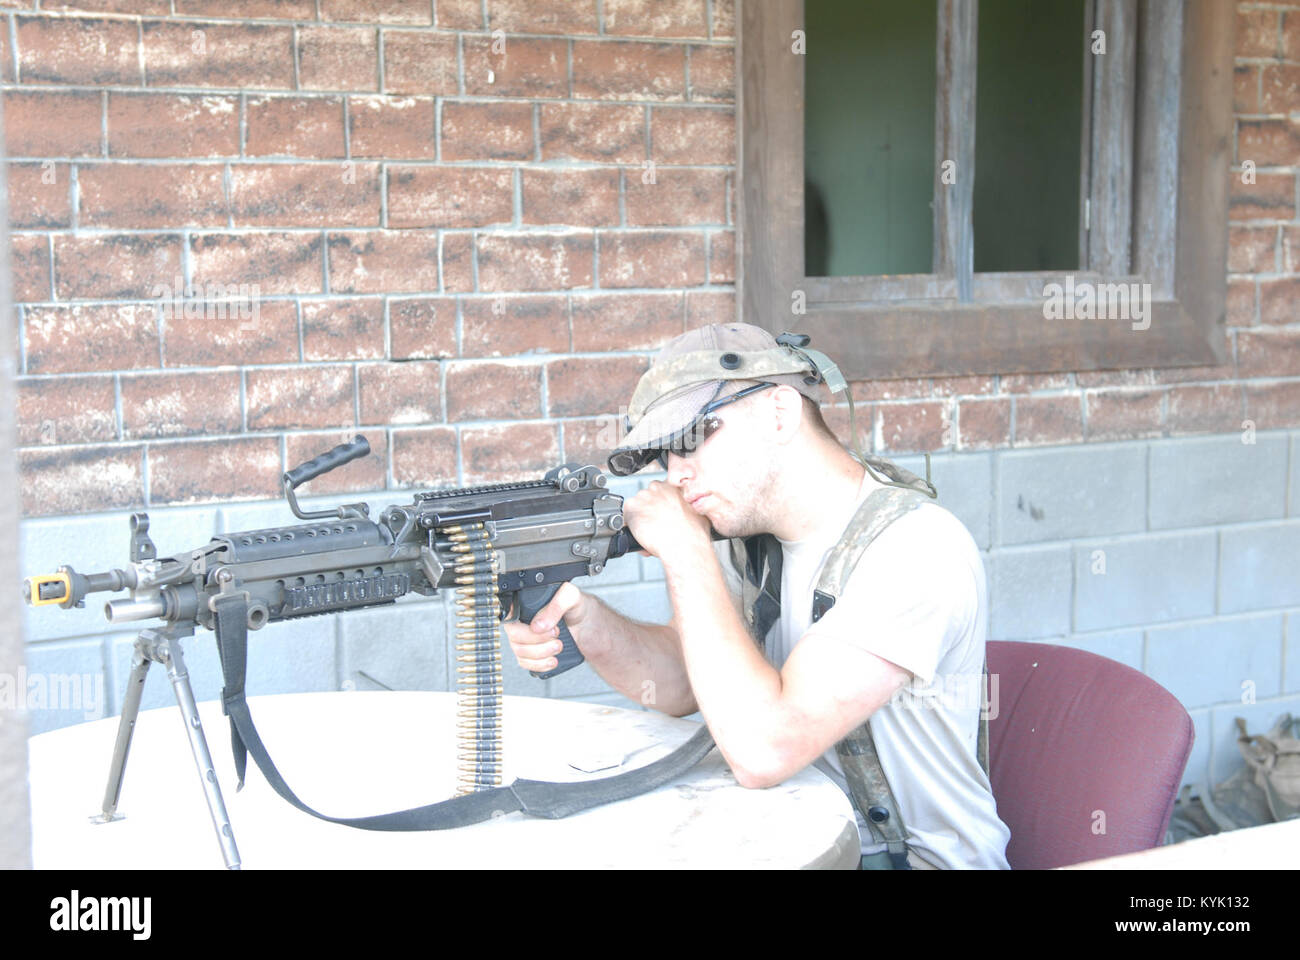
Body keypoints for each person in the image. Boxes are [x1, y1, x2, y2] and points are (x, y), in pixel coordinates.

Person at [504, 323, 1011, 869]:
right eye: (662, 457)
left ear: (780, 412)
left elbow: (764, 748)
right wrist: (584, 618)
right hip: (796, 843)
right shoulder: (749, 533)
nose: (676, 474)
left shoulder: (913, 548)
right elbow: (683, 685)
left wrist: (686, 552)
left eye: (693, 438)